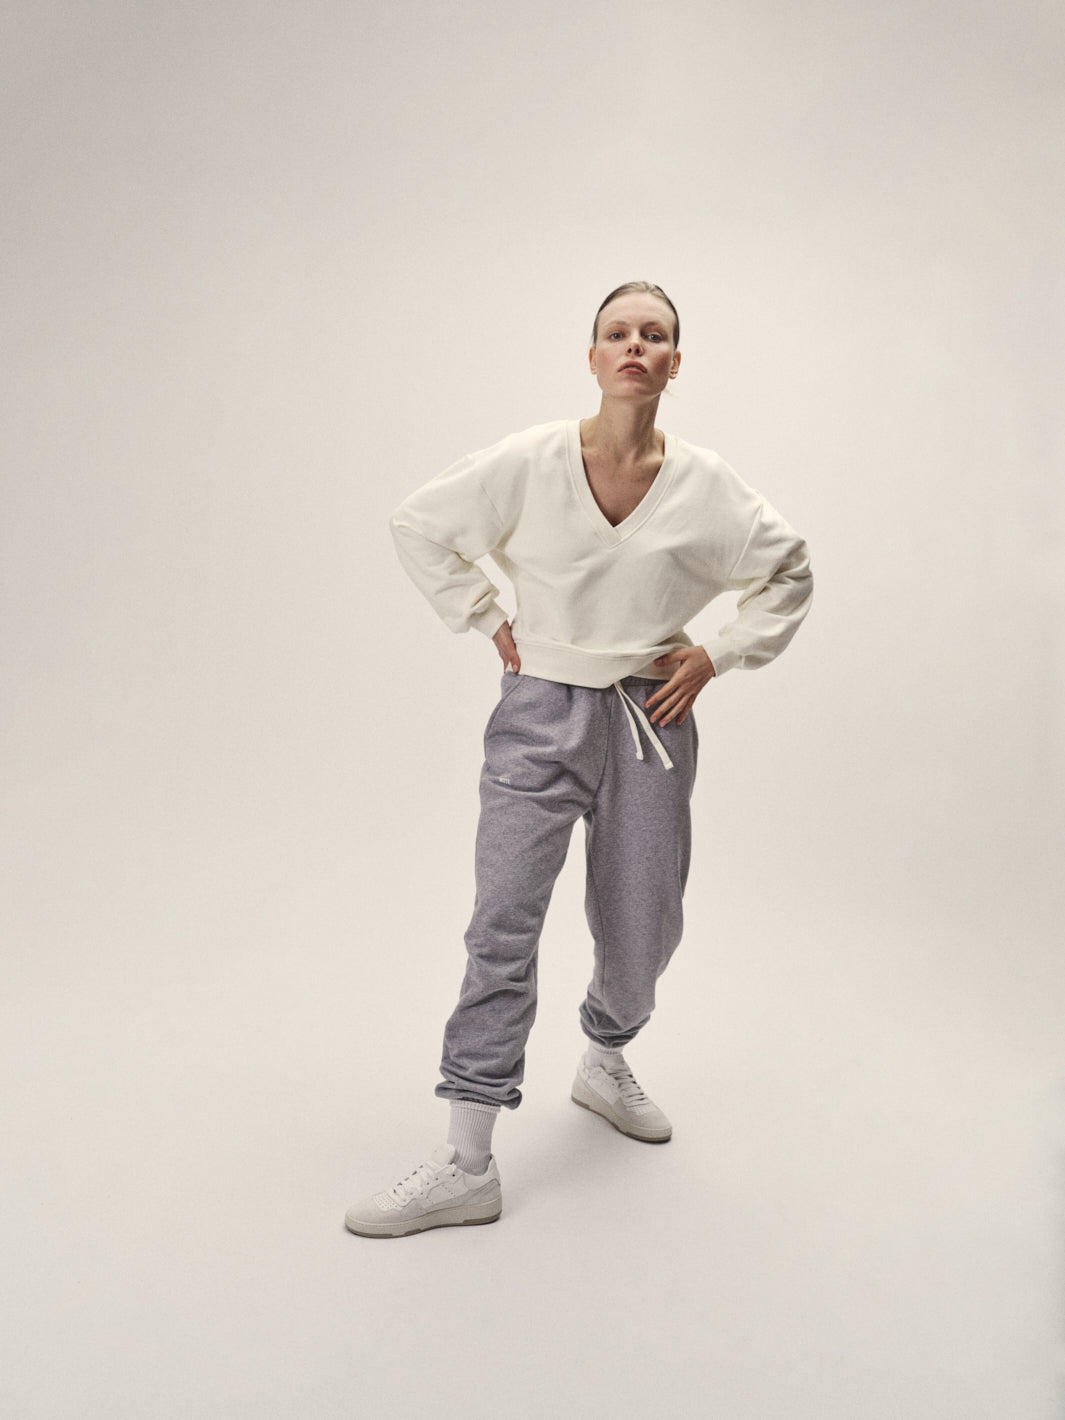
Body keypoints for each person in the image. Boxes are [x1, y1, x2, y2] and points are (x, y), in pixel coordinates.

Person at [345, 281, 812, 1238]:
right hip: (541, 709)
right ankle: (466, 1161)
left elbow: (788, 571)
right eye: (617, 333)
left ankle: (605, 1054)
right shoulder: (529, 461)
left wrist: (717, 653)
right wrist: (482, 614)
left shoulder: (708, 486)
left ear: (675, 362)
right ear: (592, 357)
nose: (635, 345)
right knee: (502, 924)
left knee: (643, 930)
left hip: (651, 715)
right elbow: (418, 524)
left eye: (654, 334)